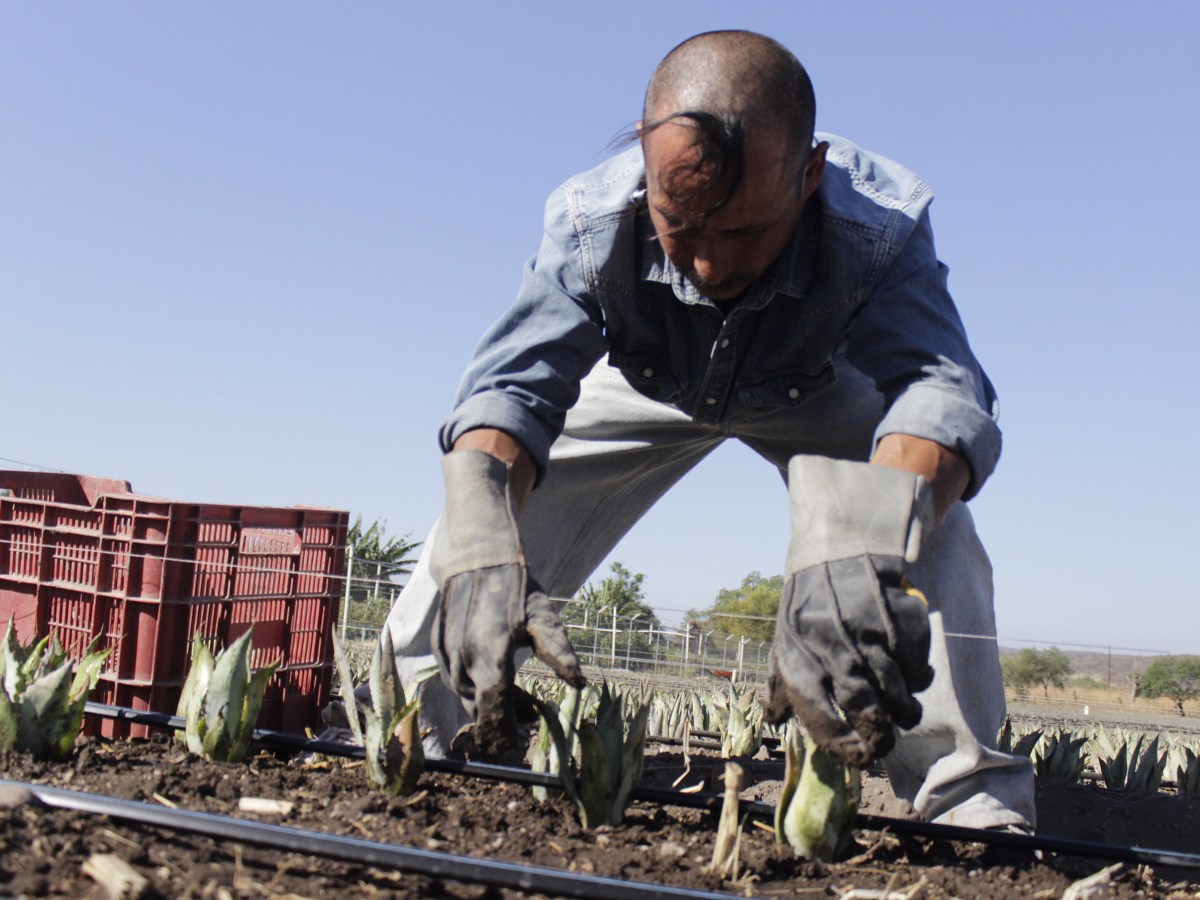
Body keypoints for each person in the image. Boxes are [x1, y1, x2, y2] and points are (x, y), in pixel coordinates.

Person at [382, 30, 1035, 830]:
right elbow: (511, 388)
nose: (709, 267)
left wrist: (865, 535)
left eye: (745, 231)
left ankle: (969, 806)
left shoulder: (876, 226)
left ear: (809, 175)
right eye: (680, 225)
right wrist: (483, 523)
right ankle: (408, 744)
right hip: (644, 384)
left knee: (920, 522)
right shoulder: (594, 219)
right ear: (646, 161)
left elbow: (942, 389)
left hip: (818, 386)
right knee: (475, 531)